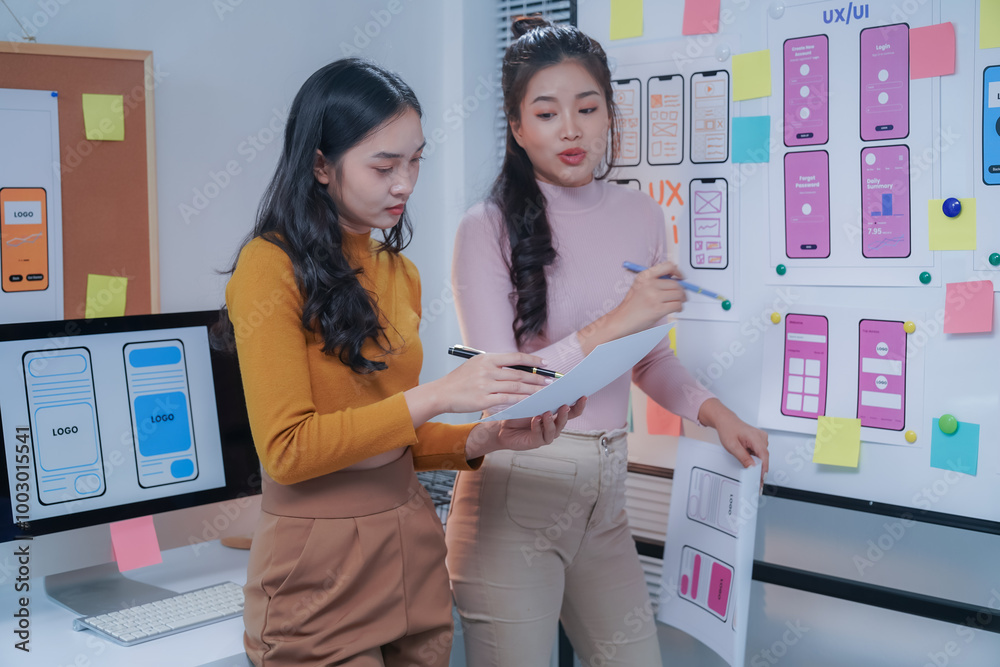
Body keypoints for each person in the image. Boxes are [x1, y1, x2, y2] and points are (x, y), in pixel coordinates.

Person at [223, 58, 585, 667]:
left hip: (413, 548)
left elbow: (396, 434)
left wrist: (487, 436)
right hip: (319, 566)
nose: (405, 184)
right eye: (384, 165)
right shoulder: (268, 267)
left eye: (415, 160)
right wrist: (442, 393)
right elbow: (287, 448)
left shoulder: (399, 273)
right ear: (319, 164)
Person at [445, 18, 769, 666]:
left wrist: (715, 413)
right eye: (546, 112)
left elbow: (647, 355)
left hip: (606, 488)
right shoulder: (484, 228)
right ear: (516, 127)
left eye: (587, 108)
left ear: (609, 114)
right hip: (518, 486)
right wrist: (620, 316)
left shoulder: (641, 214)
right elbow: (501, 385)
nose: (570, 129)